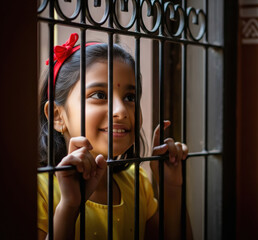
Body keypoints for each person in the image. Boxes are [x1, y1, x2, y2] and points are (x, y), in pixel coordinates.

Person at [37, 33, 191, 240]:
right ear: (57, 116)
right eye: (99, 95)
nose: (121, 110)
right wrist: (69, 206)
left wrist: (171, 187)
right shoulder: (39, 191)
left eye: (130, 97)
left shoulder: (137, 183)